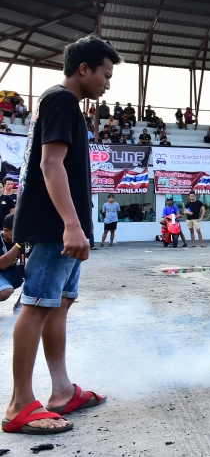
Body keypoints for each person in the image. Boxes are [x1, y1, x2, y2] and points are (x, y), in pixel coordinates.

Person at [5, 36, 118, 435]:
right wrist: (71, 224)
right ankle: (20, 404)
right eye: (105, 74)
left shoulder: (59, 102)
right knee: (35, 305)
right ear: (83, 69)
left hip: (63, 228)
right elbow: (50, 165)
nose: (108, 83)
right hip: (56, 229)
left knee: (59, 304)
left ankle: (61, 391)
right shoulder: (62, 100)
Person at [0, 213, 23, 304]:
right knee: (5, 291)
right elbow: (2, 265)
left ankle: (21, 306)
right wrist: (19, 245)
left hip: (11, 272)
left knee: (38, 273)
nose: (21, 234)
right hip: (2, 270)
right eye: (18, 231)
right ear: (6, 231)